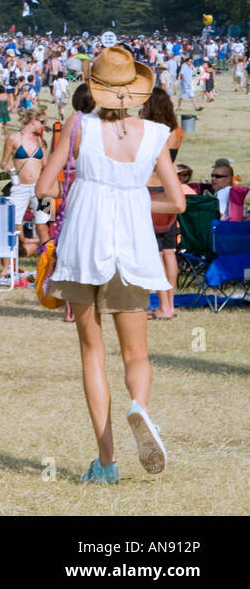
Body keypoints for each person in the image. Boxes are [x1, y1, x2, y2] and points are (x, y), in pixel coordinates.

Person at [38, 46, 183, 484]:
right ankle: (139, 406)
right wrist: (138, 197)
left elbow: (45, 186)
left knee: (92, 352)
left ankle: (105, 461)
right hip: (134, 247)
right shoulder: (157, 133)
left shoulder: (78, 126)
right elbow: (176, 200)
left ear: (96, 89)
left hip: (84, 244)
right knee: (136, 352)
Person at [140, 87, 181, 320]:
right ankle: (170, 305)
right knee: (169, 251)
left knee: (153, 250)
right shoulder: (176, 131)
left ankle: (162, 305)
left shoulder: (148, 131)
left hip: (150, 189)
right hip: (170, 189)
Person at [0, 107, 48, 274]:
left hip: (41, 188)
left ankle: (46, 265)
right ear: (32, 120)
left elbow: (46, 164)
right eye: (41, 122)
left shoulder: (40, 141)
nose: (43, 125)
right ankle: (7, 266)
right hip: (20, 187)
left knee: (45, 223)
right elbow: (3, 162)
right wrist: (10, 170)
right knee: (12, 223)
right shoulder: (13, 138)